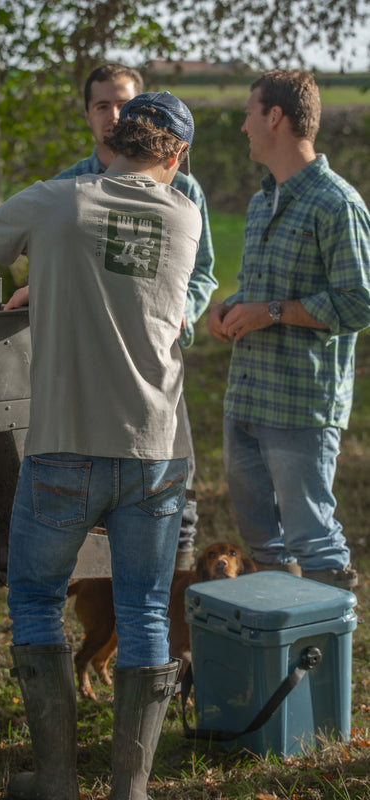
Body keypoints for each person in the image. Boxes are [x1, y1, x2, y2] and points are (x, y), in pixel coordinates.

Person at [0, 91, 202, 800]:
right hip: (156, 448)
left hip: (65, 443)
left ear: (111, 144)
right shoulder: (187, 215)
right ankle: (130, 790)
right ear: (174, 157)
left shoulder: (56, 200)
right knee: (141, 610)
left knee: (37, 601)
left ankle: (59, 781)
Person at [12, 63, 217, 569]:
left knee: (174, 489)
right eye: (103, 105)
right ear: (88, 114)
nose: (116, 115)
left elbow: (204, 273)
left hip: (152, 368)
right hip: (81, 375)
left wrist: (181, 314)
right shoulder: (65, 188)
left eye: (125, 103)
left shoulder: (185, 192)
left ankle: (175, 591)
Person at [207, 69, 370, 590]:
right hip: (247, 402)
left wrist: (271, 312)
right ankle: (283, 658)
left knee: (314, 543)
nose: (242, 127)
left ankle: (327, 667)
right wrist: (231, 307)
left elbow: (358, 302)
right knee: (263, 549)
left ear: (274, 116)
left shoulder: (336, 204)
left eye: (249, 113)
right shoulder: (261, 203)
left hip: (299, 407)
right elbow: (265, 292)